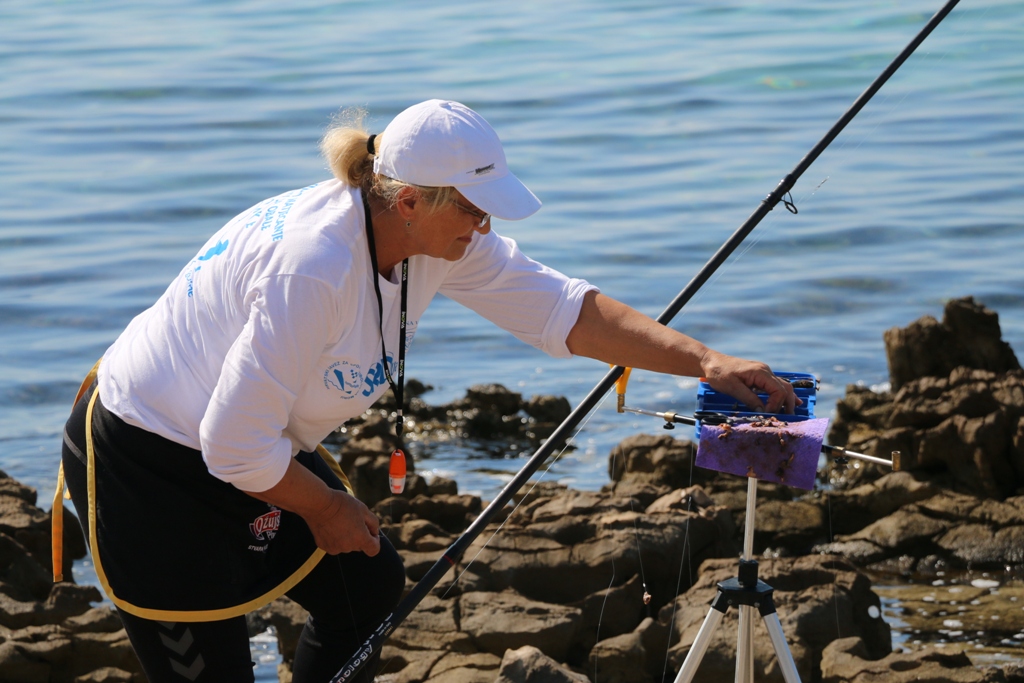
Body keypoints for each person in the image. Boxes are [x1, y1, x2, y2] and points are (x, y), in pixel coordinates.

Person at [60, 99, 797, 683]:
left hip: (247, 439)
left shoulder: (440, 241)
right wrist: (325, 506)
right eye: (473, 206)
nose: (485, 223)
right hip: (147, 458)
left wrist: (705, 361)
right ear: (409, 199)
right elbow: (232, 446)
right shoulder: (312, 267)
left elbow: (563, 309)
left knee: (368, 583)